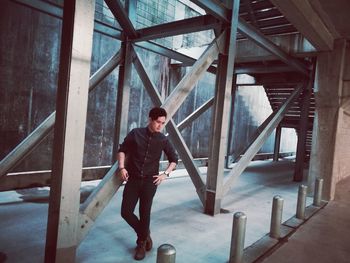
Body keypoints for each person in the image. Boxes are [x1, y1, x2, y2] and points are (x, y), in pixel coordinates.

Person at [116, 107, 178, 261]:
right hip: (133, 179)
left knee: (145, 213)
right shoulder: (135, 133)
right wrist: (122, 167)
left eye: (163, 123)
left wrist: (166, 174)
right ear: (150, 119)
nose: (160, 126)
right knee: (126, 212)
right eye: (158, 122)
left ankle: (141, 244)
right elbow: (122, 150)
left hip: (150, 182)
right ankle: (145, 234)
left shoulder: (163, 139)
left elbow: (174, 159)